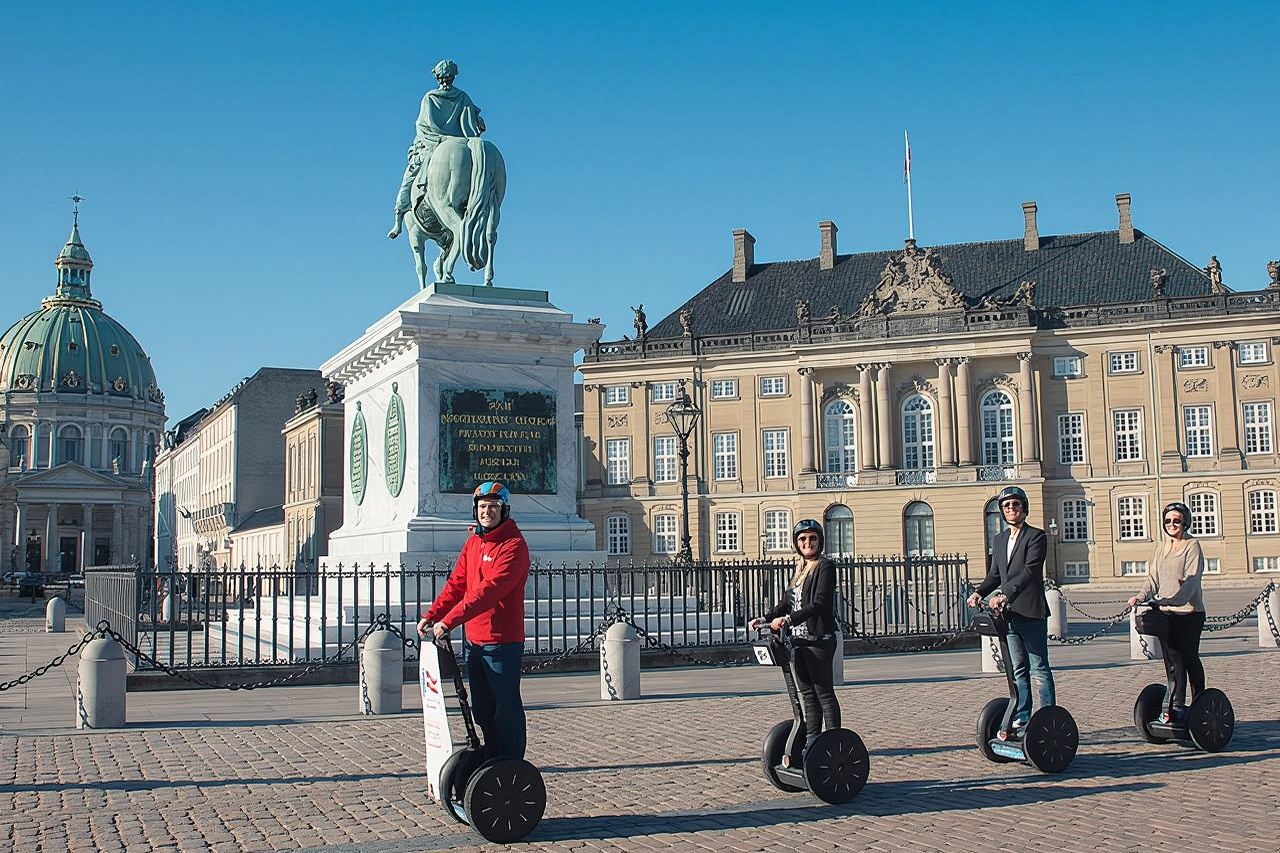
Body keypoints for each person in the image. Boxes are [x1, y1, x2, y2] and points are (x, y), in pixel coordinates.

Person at [417, 481, 530, 759]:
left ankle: (511, 760)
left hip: (501, 642)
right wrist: (432, 615)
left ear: (504, 510)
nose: (486, 512)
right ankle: (493, 754)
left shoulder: (514, 546)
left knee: (505, 707)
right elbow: (457, 585)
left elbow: (487, 593)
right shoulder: (473, 543)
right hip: (475, 641)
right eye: (482, 507)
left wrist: (450, 621)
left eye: (493, 507)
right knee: (481, 707)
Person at [967, 486, 1055, 740]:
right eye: (1006, 506)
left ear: (1023, 508)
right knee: (1018, 669)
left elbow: (1029, 571)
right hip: (1009, 616)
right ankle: (1023, 716)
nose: (1011, 509)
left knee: (1039, 667)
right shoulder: (1000, 539)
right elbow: (996, 574)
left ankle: (1048, 716)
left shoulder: (1036, 537)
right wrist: (979, 593)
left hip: (1030, 611)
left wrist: (1006, 594)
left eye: (1015, 505)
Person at [750, 519, 840, 760]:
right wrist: (764, 618)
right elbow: (786, 603)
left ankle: (834, 741)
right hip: (798, 642)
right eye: (802, 539)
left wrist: (788, 621)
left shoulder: (825, 567)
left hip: (819, 640)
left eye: (812, 538)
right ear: (796, 544)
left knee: (823, 693)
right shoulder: (800, 570)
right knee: (807, 694)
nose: (807, 543)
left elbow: (819, 604)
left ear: (819, 541)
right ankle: (812, 742)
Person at [1126, 501, 1206, 724]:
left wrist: (1173, 600)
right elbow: (1152, 579)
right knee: (1172, 661)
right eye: (1169, 521)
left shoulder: (1192, 546)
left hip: (1190, 613)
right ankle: (1175, 704)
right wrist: (1140, 597)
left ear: (1185, 523)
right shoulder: (1162, 546)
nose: (1172, 524)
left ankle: (1200, 701)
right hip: (1166, 612)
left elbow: (1191, 582)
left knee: (1188, 658)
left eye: (1177, 521)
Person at [389, 59, 486, 239]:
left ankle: (399, 217)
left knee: (408, 177)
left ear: (438, 78)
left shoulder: (430, 97)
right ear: (453, 77)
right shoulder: (463, 96)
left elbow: (424, 127)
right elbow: (473, 117)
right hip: (463, 141)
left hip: (434, 143)